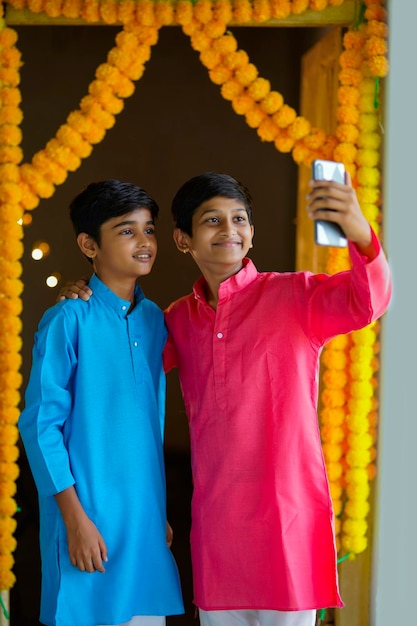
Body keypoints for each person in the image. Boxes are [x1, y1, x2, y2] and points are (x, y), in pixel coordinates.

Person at [61, 171, 392, 626]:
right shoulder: (177, 319)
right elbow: (121, 365)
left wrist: (359, 233)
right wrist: (87, 296)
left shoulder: (294, 295)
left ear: (252, 234)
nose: (229, 230)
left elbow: (368, 300)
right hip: (218, 532)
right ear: (183, 239)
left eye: (239, 219)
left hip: (286, 526)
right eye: (212, 220)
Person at [19, 179, 184, 626]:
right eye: (127, 231)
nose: (145, 242)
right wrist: (73, 520)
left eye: (149, 229)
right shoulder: (66, 319)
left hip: (143, 528)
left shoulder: (157, 322)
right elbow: (39, 427)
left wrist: (158, 513)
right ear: (89, 244)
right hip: (86, 520)